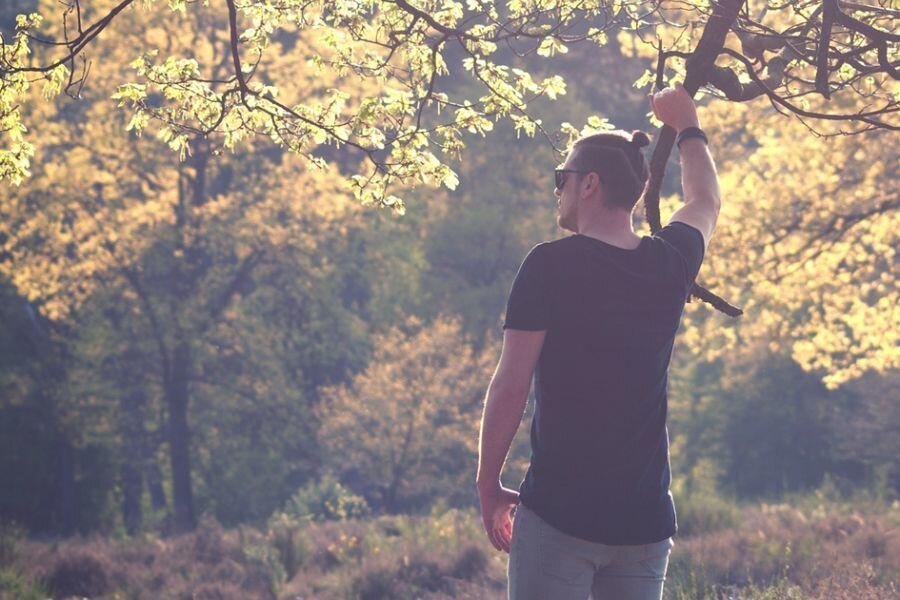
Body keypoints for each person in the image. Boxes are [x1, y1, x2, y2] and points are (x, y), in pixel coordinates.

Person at [475, 83, 721, 600]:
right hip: (644, 523)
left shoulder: (548, 265)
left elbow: (510, 386)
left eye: (559, 179)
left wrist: (488, 483)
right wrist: (688, 125)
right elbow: (705, 200)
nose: (556, 190)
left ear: (588, 185)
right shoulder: (669, 262)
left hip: (561, 518)